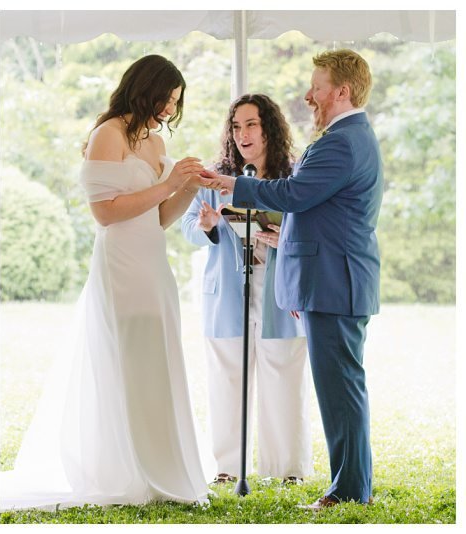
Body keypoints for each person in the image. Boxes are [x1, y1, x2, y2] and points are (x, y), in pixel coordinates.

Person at [1, 55, 211, 510]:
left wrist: (189, 188)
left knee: (156, 359)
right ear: (143, 89)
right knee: (127, 359)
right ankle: (125, 469)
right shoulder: (108, 134)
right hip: (120, 265)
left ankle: (162, 467)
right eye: (165, 99)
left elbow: (159, 219)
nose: (169, 110)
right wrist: (168, 182)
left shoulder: (155, 143)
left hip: (154, 264)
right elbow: (106, 212)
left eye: (176, 103)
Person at [200, 49, 382, 510]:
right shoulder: (348, 137)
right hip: (330, 280)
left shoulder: (342, 140)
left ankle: (348, 491)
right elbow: (320, 208)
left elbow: (298, 193)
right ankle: (352, 484)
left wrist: (231, 186)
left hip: (334, 283)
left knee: (341, 391)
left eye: (316, 87)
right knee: (343, 388)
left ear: (341, 91)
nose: (309, 96)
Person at [181, 94, 312, 486]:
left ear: (269, 127)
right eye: (236, 127)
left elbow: (308, 226)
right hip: (227, 296)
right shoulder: (213, 177)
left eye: (251, 124)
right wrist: (205, 226)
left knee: (284, 378)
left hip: (280, 295)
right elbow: (188, 227)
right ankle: (227, 468)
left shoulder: (293, 177)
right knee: (226, 381)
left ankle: (286, 470)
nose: (242, 134)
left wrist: (282, 239)